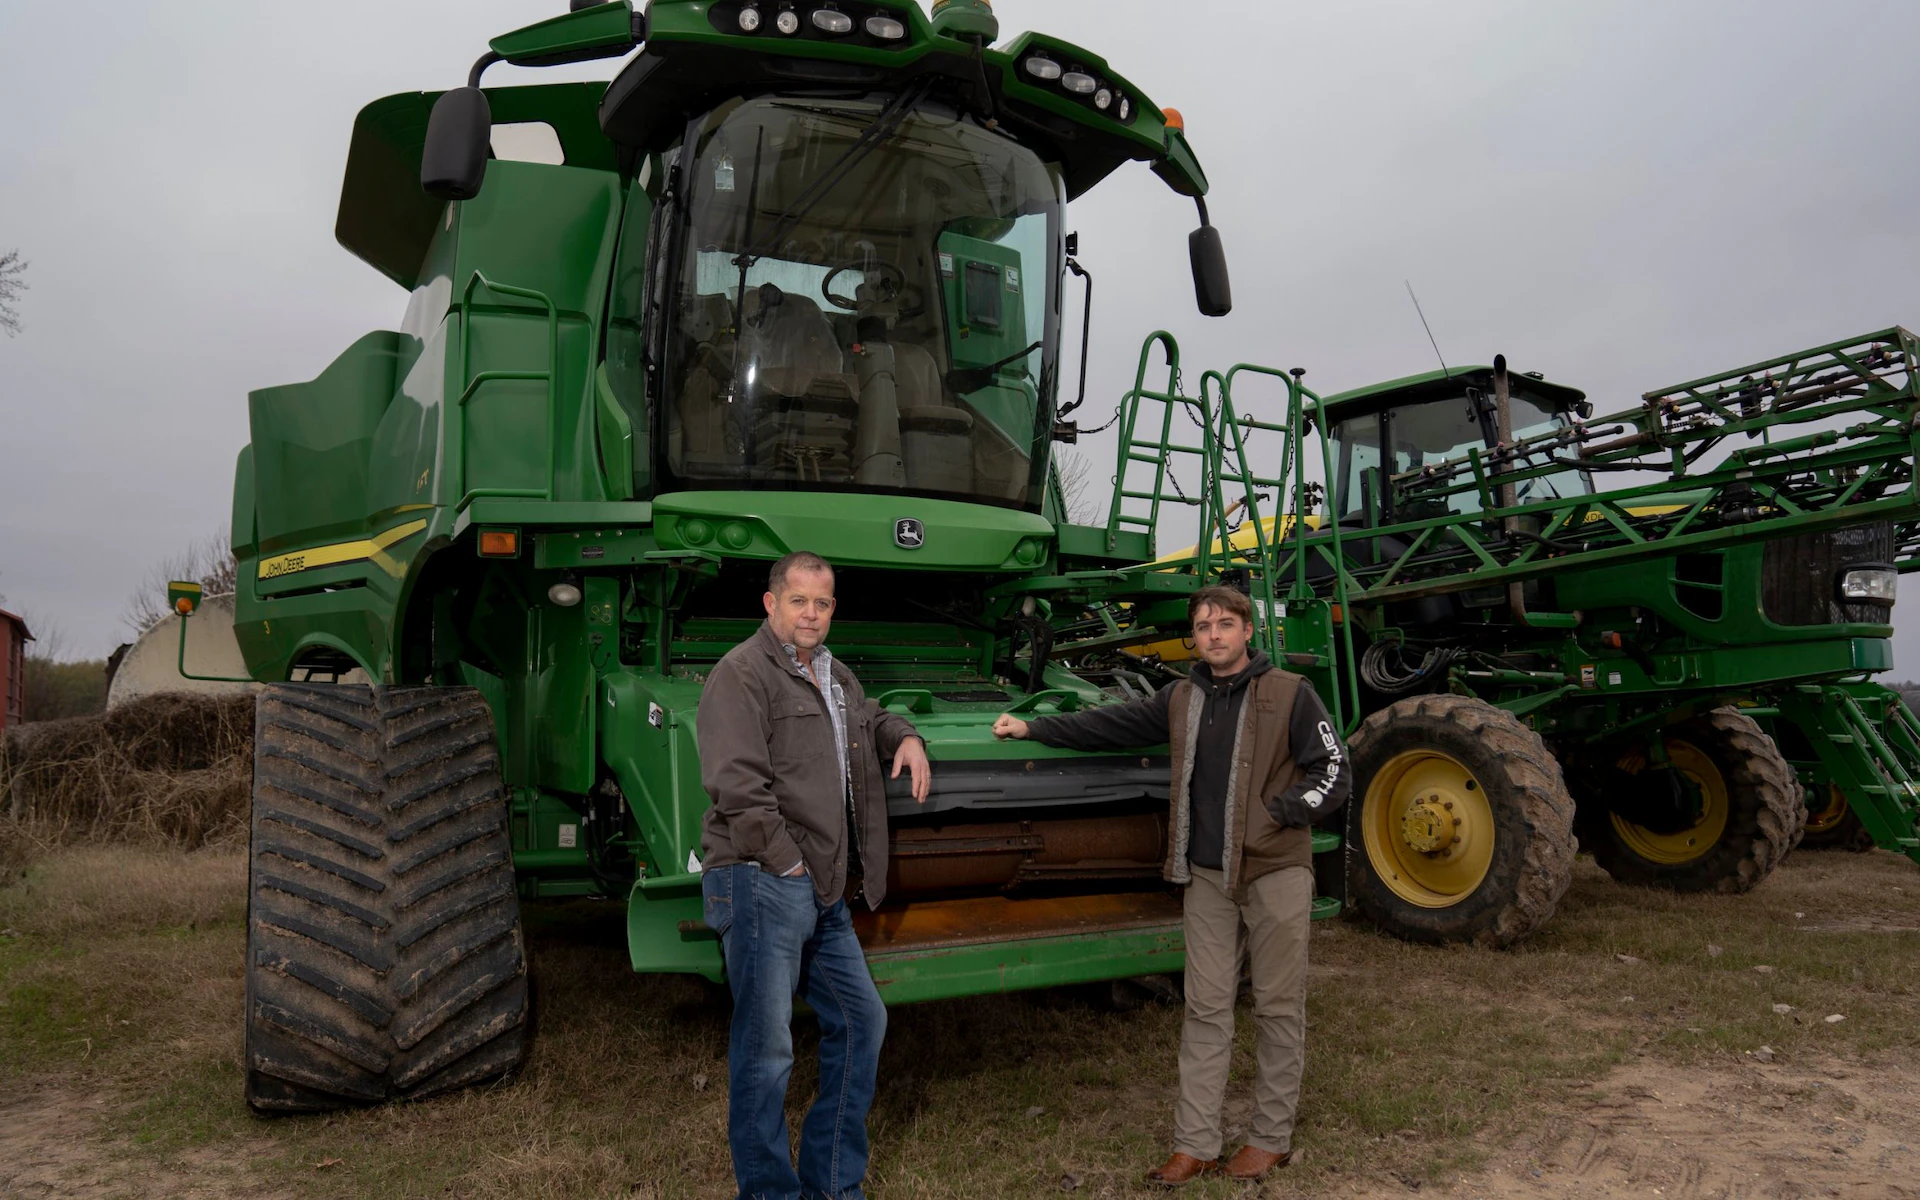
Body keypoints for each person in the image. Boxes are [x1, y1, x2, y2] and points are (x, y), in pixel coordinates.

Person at [992, 585, 1349, 1186]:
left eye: (1225, 624)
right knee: (1205, 1010)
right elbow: (1111, 724)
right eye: (1204, 625)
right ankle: (1196, 1144)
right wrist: (1034, 729)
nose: (1214, 634)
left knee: (1279, 1007)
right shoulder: (1181, 697)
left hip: (1274, 873)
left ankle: (1270, 1138)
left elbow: (1333, 770)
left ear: (1247, 630)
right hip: (1206, 876)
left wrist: (1282, 812)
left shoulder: (1291, 693)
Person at [697, 550, 933, 1200]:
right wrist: (789, 861)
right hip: (760, 878)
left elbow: (869, 719)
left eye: (822, 603)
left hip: (818, 891)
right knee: (767, 1050)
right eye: (798, 600)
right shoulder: (740, 674)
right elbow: (736, 786)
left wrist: (904, 735)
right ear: (771, 604)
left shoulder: (835, 676)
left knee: (863, 1022)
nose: (810, 613)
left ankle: (833, 1185)